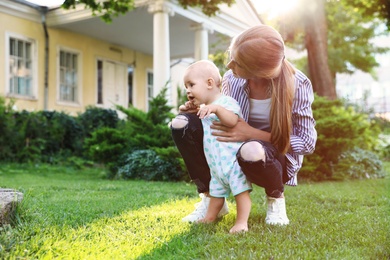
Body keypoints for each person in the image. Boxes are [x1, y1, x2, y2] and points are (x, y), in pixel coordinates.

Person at [171, 25, 317, 226]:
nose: (229, 66)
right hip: (231, 149)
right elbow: (224, 112)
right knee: (182, 124)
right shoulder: (233, 78)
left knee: (252, 149)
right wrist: (198, 109)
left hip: (271, 156)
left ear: (258, 70)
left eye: (237, 63)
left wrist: (251, 133)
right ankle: (212, 198)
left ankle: (275, 199)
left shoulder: (298, 83)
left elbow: (307, 143)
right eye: (230, 56)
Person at [172, 60, 252, 233]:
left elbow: (232, 121)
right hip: (216, 165)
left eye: (191, 85)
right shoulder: (205, 108)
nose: (187, 90)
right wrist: (186, 110)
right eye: (186, 86)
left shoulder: (226, 102)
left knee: (241, 194)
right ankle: (209, 217)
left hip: (232, 164)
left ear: (209, 83)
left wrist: (216, 109)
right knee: (216, 195)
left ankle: (241, 222)